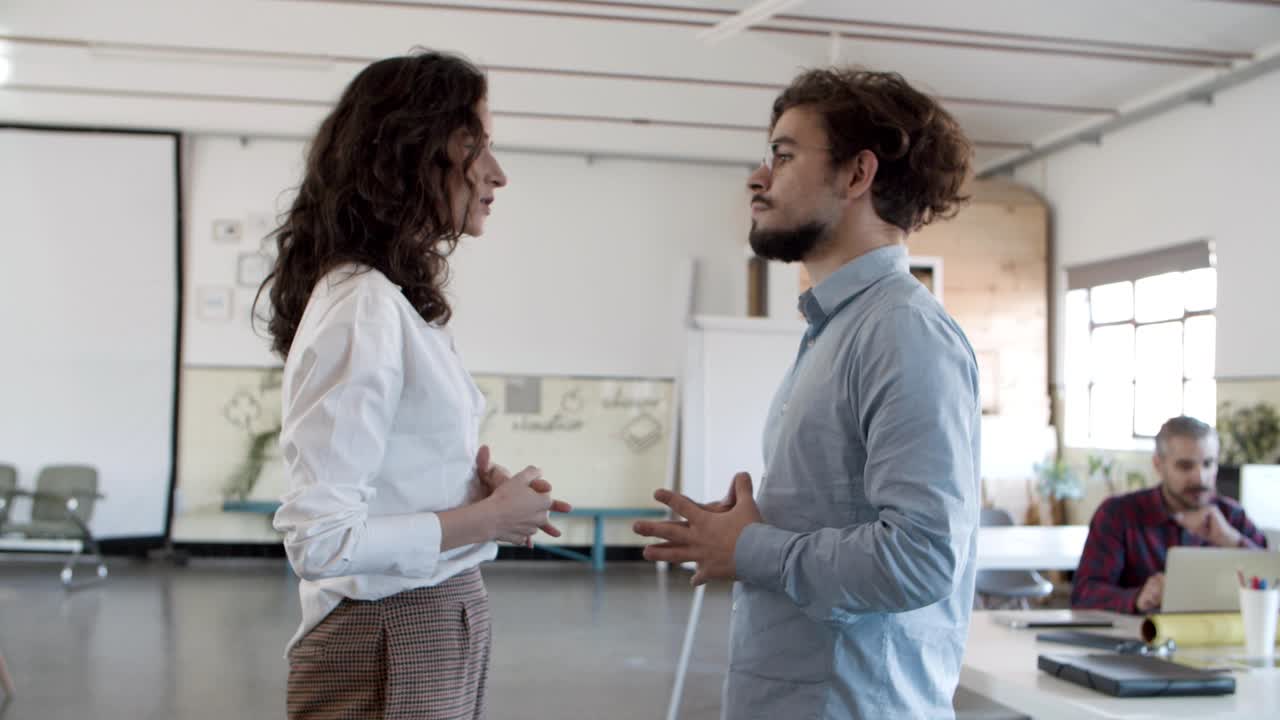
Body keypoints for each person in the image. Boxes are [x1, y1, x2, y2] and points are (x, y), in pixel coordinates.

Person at [635, 67, 980, 719]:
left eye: (785, 155)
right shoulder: (840, 328)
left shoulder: (901, 331)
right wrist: (745, 531)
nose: (757, 178)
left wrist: (750, 547)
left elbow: (921, 558)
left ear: (856, 176)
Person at [262, 52, 569, 720]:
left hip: (421, 622)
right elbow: (322, 540)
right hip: (390, 633)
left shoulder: (385, 300)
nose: (497, 173)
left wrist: (476, 494)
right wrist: (488, 518)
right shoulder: (363, 304)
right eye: (476, 146)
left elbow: (389, 480)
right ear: (411, 155)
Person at [1072, 415, 1267, 614]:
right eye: (1185, 466)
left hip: (1223, 638)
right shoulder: (1118, 515)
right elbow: (1084, 594)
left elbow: (1272, 582)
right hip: (1140, 638)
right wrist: (1137, 597)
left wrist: (1233, 541)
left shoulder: (1232, 516)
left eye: (1208, 464)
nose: (1200, 477)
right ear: (1158, 465)